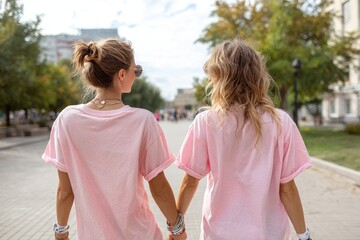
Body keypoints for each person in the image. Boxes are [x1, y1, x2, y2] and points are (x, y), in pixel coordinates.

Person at [42, 39, 186, 240]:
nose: (136, 76)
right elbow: (159, 188)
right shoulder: (143, 121)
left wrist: (61, 232)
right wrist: (178, 230)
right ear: (121, 74)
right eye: (135, 70)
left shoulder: (67, 119)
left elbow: (65, 191)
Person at [174, 39, 312, 240]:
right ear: (258, 75)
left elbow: (190, 181)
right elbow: (287, 188)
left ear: (218, 77)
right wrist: (304, 235)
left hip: (219, 232)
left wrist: (176, 228)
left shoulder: (206, 122)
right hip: (269, 232)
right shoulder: (281, 122)